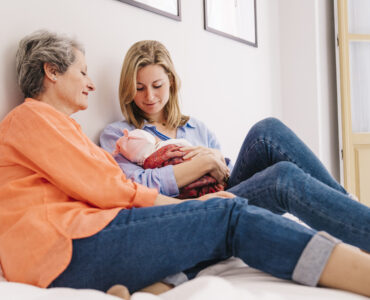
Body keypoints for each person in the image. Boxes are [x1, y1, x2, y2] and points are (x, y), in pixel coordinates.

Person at [1, 31, 370, 299]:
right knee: (229, 215)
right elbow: (112, 189)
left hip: (81, 240)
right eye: (82, 72)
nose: (91, 83)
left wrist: (208, 179)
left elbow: (107, 189)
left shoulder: (61, 128)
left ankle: (164, 280)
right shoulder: (32, 118)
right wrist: (192, 205)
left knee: (264, 151)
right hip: (64, 246)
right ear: (52, 71)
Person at [114, 128, 225, 198]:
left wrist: (217, 155)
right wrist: (207, 163)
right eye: (140, 89)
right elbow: (137, 186)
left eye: (157, 88)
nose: (150, 97)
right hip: (207, 199)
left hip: (226, 184)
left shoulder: (199, 128)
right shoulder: (117, 133)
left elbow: (227, 170)